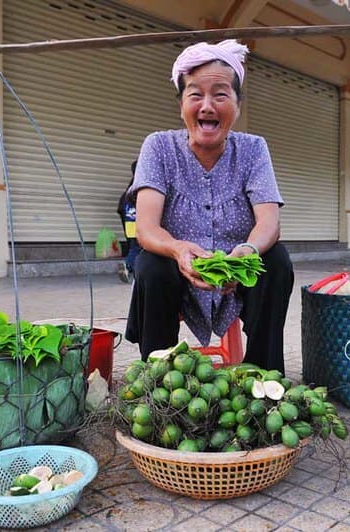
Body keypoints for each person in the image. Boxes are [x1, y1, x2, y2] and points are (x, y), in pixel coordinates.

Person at [125, 39, 294, 372]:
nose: (207, 106)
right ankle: (159, 379)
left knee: (276, 261)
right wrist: (177, 250)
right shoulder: (158, 146)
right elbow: (146, 228)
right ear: (181, 104)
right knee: (151, 266)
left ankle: (264, 374)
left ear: (237, 103)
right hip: (177, 273)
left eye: (220, 94)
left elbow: (269, 223)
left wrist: (245, 252)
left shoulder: (254, 149)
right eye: (195, 95)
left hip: (237, 274)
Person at [116, 160, 141, 283]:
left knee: (133, 246)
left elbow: (121, 208)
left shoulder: (130, 187)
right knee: (139, 247)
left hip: (128, 220)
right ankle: (129, 266)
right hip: (137, 221)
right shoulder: (142, 185)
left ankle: (131, 268)